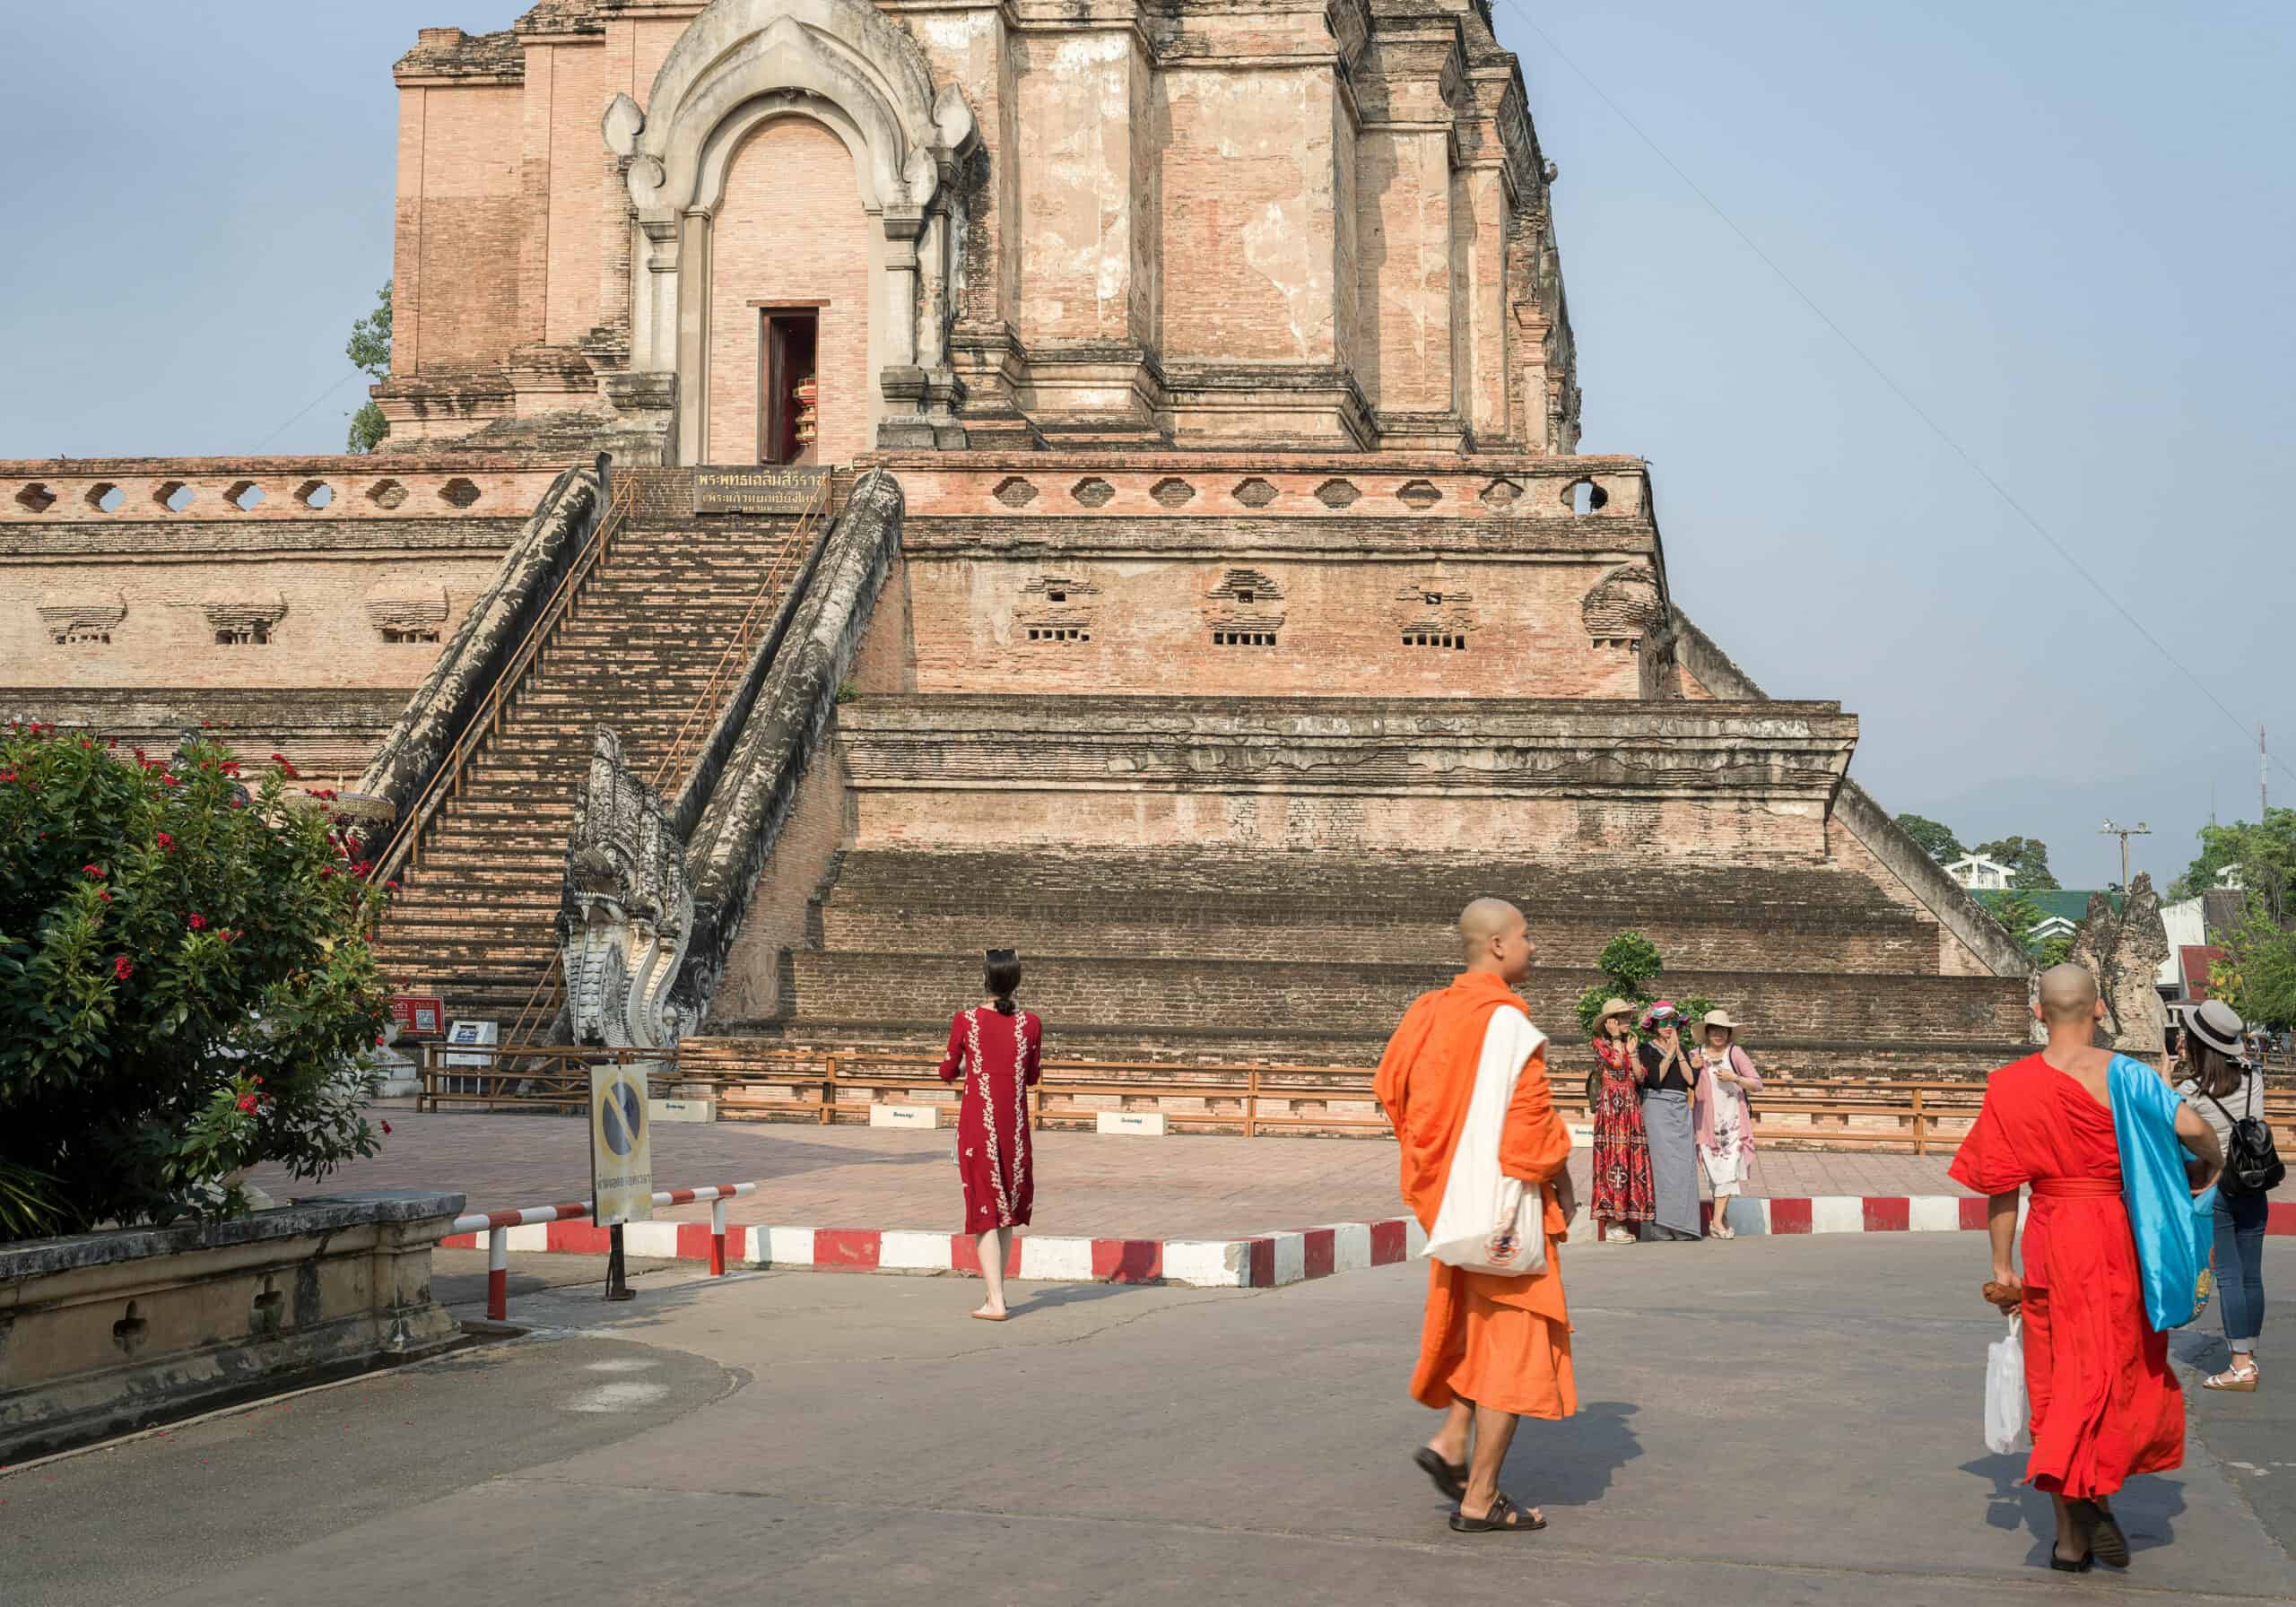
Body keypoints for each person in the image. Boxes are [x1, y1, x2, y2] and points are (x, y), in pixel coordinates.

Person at [1950, 964, 2224, 1573]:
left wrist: (2004, 1266)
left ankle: (2071, 1536)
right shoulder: (2127, 1075)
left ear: (2038, 1012)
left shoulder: (2011, 1086)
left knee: (2061, 1380)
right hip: (2120, 1238)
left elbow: (2000, 1187)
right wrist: (2203, 1171)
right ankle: (2092, 1491)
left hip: (2051, 1236)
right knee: (2113, 1369)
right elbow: (2199, 1131)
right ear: (2100, 1009)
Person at [1376, 898, 1578, 1534]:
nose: (1533, 947)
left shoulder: (1428, 1014)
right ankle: (1481, 1498)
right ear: (1497, 945)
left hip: (1454, 1209)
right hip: (1505, 1217)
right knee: (1513, 1351)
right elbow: (1529, 1141)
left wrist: (1444, 1168)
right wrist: (1565, 1175)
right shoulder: (1510, 1027)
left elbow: (1393, 1091)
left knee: (1479, 1330)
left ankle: (1453, 1439)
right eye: (1526, 935)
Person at [935, 948, 1042, 1322]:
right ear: (1016, 981)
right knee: (1006, 1211)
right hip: (1013, 1126)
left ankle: (995, 1300)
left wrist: (965, 1065)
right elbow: (1031, 1076)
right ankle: (997, 1294)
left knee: (985, 1209)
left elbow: (946, 1070)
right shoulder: (1030, 1023)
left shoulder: (966, 1020)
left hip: (979, 1124)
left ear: (985, 979)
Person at [2175, 997, 2268, 1391]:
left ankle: (2240, 1366)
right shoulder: (2254, 1077)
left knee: (2229, 1277)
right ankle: (2248, 1351)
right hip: (2255, 1183)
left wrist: (2170, 1072)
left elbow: (2178, 1135)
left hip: (2221, 1189)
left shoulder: (2190, 1092)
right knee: (2251, 1276)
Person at [1692, 1009, 1763, 1239]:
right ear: (1707, 1032)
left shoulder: (1735, 1053)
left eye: (1723, 1030)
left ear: (1728, 1033)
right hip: (1705, 1124)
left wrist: (1735, 1078)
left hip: (1733, 1125)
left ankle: (1715, 1222)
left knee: (1729, 1171)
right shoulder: (1696, 1055)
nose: (1718, 1034)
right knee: (1715, 1175)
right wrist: (1692, 1069)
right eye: (1714, 1030)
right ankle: (1722, 1218)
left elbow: (1757, 1083)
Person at [1587, 998, 1654, 1244]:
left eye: (1627, 1017)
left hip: (1630, 1107)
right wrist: (1616, 1040)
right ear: (1610, 1023)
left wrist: (1633, 1052)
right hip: (1611, 1109)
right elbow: (1614, 1062)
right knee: (1613, 1161)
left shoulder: (1630, 1043)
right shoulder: (1600, 1043)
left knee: (1628, 1160)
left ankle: (1625, 1217)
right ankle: (1612, 1222)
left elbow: (1638, 1077)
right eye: (1621, 1018)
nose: (1627, 1022)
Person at [1635, 1002, 1701, 1241]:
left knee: (1684, 1166)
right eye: (1664, 1022)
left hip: (1680, 1108)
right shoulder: (1646, 1049)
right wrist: (1670, 1053)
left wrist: (1679, 1052)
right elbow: (1655, 1078)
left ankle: (1684, 1226)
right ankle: (1662, 1225)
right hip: (1657, 1107)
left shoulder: (1682, 1049)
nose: (1668, 1027)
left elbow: (1690, 1081)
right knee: (1662, 1168)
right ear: (1654, 1025)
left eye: (1672, 1022)